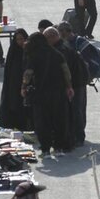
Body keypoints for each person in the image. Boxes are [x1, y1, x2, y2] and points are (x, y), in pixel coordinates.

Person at [22, 31, 73, 159]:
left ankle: (45, 149)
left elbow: (28, 73)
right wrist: (69, 87)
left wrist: (23, 87)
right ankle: (58, 148)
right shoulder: (57, 54)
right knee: (59, 120)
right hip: (58, 93)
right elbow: (66, 72)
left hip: (41, 93)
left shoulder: (34, 56)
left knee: (42, 121)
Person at [52, 24, 87, 148]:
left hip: (76, 84)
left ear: (65, 32)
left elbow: (66, 70)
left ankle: (79, 137)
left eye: (60, 31)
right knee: (76, 110)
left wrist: (68, 86)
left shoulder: (65, 47)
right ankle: (76, 135)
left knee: (77, 111)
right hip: (78, 82)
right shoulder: (66, 45)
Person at [0, 29, 30, 130]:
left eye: (22, 39)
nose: (21, 42)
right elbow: (8, 71)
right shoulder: (13, 51)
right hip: (14, 85)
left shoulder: (30, 51)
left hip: (26, 85)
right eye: (18, 39)